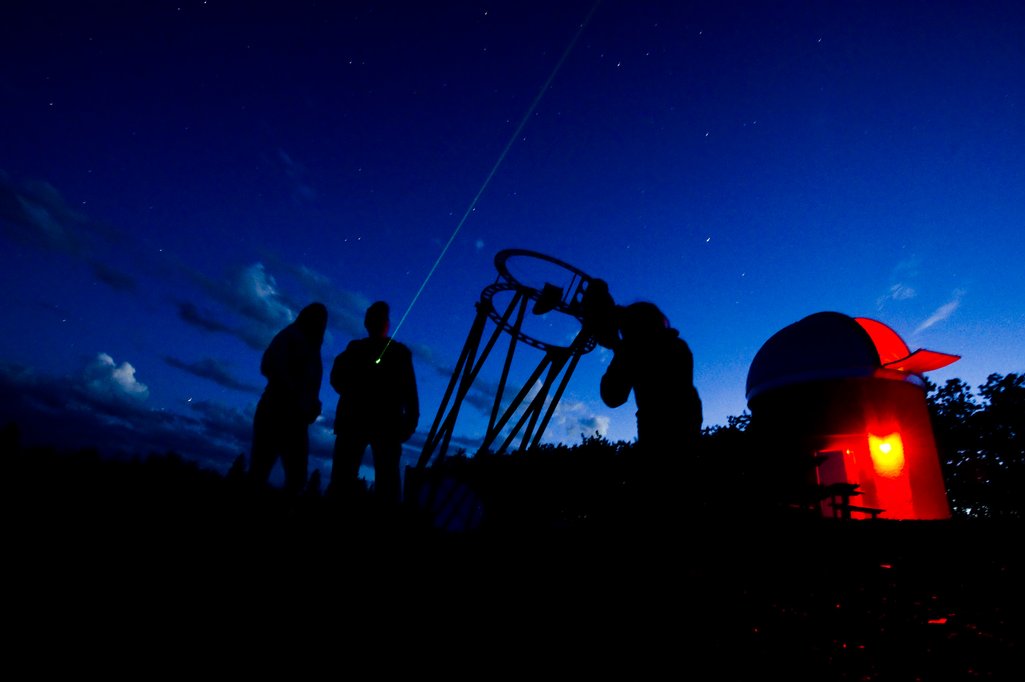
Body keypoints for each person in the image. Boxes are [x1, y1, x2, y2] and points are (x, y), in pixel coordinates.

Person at [600, 301, 702, 513]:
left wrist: (619, 349)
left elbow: (613, 397)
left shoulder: (638, 351)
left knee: (658, 498)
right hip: (681, 434)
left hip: (658, 439)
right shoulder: (678, 347)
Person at [330, 301, 419, 507]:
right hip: (381, 424)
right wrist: (410, 421)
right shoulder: (397, 352)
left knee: (349, 478)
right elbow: (410, 392)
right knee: (382, 481)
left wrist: (353, 392)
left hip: (360, 422)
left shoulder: (356, 350)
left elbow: (336, 378)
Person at [249, 302, 327, 496]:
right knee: (264, 471)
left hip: (295, 418)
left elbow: (309, 382)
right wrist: (295, 393)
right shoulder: (291, 337)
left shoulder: (311, 347)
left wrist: (313, 402)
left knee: (294, 477)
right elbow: (268, 365)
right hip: (277, 411)